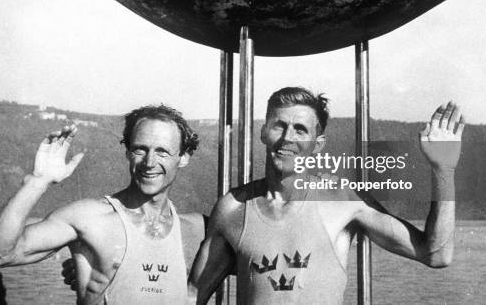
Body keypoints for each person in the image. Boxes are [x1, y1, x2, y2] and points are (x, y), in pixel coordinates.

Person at [189, 87, 464, 304]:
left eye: (300, 130)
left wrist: (444, 170)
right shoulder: (234, 208)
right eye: (278, 125)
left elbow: (436, 254)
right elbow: (193, 297)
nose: (288, 138)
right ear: (263, 132)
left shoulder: (343, 200)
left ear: (317, 145)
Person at [0, 105, 206, 305]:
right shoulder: (90, 219)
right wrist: (37, 181)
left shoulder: (196, 230)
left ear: (184, 157)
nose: (149, 162)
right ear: (127, 152)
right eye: (140, 149)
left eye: (162, 151)